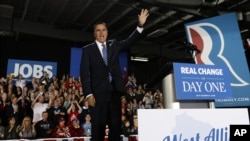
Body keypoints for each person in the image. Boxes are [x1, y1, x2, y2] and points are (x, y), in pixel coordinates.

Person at [80, 9, 149, 141]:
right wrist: (88, 94)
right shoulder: (87, 50)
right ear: (94, 33)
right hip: (98, 95)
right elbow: (84, 74)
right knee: (98, 128)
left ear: (107, 32)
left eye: (103, 30)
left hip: (114, 93)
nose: (101, 33)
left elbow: (129, 41)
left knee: (116, 126)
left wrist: (140, 26)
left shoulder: (114, 44)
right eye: (98, 30)